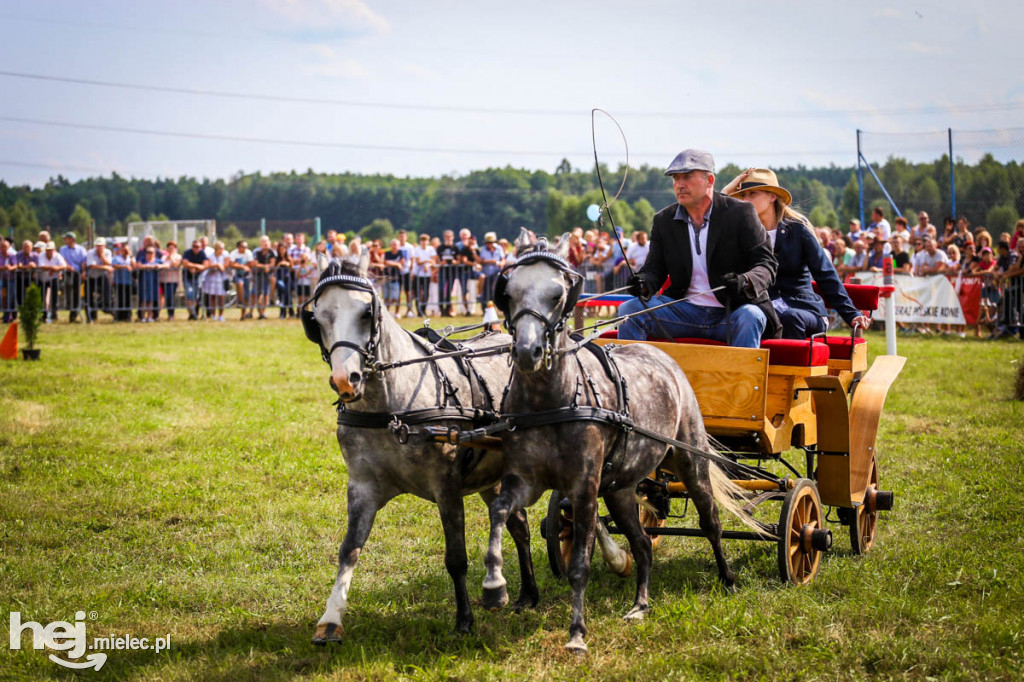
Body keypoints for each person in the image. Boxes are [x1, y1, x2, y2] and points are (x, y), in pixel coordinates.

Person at [620, 150, 779, 347]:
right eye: (676, 179)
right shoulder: (663, 220)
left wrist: (746, 281)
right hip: (683, 312)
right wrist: (643, 284)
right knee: (629, 310)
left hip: (733, 311)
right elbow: (654, 271)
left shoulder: (741, 212)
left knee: (751, 316)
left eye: (687, 177)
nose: (680, 184)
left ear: (709, 180)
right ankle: (633, 377)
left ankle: (742, 378)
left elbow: (766, 264)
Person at [723, 168, 869, 339]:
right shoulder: (745, 234)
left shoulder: (797, 230)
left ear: (772, 197)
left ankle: (791, 365)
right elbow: (713, 223)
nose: (745, 200)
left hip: (804, 311)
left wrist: (851, 314)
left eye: (752, 194)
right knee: (751, 317)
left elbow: (826, 275)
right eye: (743, 195)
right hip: (767, 312)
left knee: (790, 317)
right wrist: (725, 193)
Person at [59, 231, 88, 322]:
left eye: (66, 238)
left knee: (76, 294)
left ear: (72, 239)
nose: (64, 240)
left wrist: (83, 272)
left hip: (77, 274)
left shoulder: (81, 249)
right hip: (67, 273)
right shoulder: (63, 249)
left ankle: (73, 314)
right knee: (68, 288)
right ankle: (69, 305)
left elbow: (83, 262)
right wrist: (68, 266)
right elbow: (62, 259)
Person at [36, 241, 67, 322]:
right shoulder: (41, 255)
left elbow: (64, 265)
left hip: (54, 279)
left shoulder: (57, 256)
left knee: (54, 297)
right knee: (42, 297)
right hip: (43, 279)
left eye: (50, 250)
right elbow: (42, 266)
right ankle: (43, 315)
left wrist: (55, 268)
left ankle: (54, 313)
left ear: (54, 250)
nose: (49, 252)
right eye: (47, 250)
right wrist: (53, 268)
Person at [181, 240, 209, 320]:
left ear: (200, 247)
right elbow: (185, 263)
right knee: (189, 294)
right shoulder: (187, 253)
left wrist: (194, 267)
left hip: (198, 278)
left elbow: (205, 265)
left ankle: (193, 313)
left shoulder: (202, 253)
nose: (195, 248)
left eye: (197, 247)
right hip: (187, 277)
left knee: (196, 296)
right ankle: (192, 313)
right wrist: (197, 266)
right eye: (194, 246)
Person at [250, 235, 276, 320]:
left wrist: (263, 266)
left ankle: (263, 312)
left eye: (267, 241)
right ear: (260, 243)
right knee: (259, 295)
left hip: (267, 277)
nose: (266, 243)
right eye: (263, 242)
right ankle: (260, 313)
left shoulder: (272, 253)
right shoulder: (257, 253)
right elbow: (255, 264)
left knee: (266, 294)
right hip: (258, 277)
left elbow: (272, 264)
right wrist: (265, 266)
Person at [436, 230, 460, 316]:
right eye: (447, 237)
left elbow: (458, 260)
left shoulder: (455, 248)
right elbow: (437, 259)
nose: (448, 238)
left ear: (453, 237)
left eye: (450, 237)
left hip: (451, 272)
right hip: (442, 271)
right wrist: (441, 262)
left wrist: (454, 262)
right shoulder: (440, 247)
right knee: (441, 290)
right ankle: (441, 309)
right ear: (444, 237)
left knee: (449, 291)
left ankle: (448, 309)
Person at [136, 245, 162, 322]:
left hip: (153, 283)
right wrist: (149, 266)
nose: (148, 254)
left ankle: (150, 317)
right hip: (143, 283)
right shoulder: (142, 259)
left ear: (154, 253)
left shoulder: (157, 260)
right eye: (147, 252)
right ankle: (143, 317)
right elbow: (138, 265)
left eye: (151, 252)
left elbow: (167, 264)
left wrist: (159, 266)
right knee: (143, 300)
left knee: (151, 301)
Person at [228, 240, 254, 319]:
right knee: (240, 284)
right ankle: (239, 301)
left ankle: (243, 314)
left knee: (246, 296)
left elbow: (251, 263)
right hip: (237, 275)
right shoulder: (233, 253)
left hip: (246, 276)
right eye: (244, 246)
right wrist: (242, 266)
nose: (245, 248)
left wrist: (239, 265)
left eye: (246, 246)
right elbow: (231, 264)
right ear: (238, 247)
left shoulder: (248, 253)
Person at [477, 232, 504, 307]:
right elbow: (481, 261)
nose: (489, 244)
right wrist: (491, 261)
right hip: (487, 273)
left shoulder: (499, 248)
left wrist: (501, 263)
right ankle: (484, 307)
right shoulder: (483, 249)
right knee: (486, 291)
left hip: (496, 273)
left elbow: (503, 259)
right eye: (488, 243)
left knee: (496, 290)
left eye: (491, 242)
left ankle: (497, 308)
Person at [203, 241, 229, 321]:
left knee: (221, 297)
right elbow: (208, 265)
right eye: (220, 248)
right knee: (212, 297)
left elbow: (227, 264)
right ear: (216, 248)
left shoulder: (225, 255)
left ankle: (221, 315)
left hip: (222, 278)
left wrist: (221, 266)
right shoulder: (211, 255)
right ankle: (213, 315)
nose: (222, 250)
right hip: (212, 278)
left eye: (223, 248)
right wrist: (217, 265)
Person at [411, 233, 435, 317]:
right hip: (418, 274)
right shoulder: (417, 249)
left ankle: (423, 310)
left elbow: (433, 261)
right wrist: (427, 261)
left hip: (427, 275)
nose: (424, 242)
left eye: (425, 240)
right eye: (422, 240)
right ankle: (418, 311)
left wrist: (428, 264)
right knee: (417, 293)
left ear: (428, 241)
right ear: (420, 241)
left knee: (426, 293)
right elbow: (418, 262)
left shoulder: (431, 249)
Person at [110, 242, 134, 321]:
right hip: (119, 282)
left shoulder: (131, 258)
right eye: (124, 249)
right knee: (119, 299)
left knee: (127, 299)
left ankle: (127, 316)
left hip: (128, 282)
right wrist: (125, 266)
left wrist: (130, 256)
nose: (126, 251)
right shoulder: (117, 258)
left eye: (127, 249)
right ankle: (118, 316)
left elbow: (134, 266)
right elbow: (114, 265)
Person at [382, 239, 404, 317]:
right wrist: (397, 264)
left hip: (396, 278)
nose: (394, 246)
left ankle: (397, 313)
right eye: (393, 245)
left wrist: (393, 264)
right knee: (386, 297)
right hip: (386, 277)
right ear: (391, 246)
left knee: (396, 297)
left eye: (396, 245)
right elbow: (385, 262)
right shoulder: (387, 253)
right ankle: (386, 313)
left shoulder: (400, 253)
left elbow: (402, 262)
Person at [160, 241, 182, 320]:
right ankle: (168, 314)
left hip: (173, 280)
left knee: (170, 297)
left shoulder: (178, 256)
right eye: (169, 247)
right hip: (163, 280)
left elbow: (176, 265)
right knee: (166, 297)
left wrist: (171, 257)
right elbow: (160, 266)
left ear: (175, 249)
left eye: (172, 248)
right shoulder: (163, 257)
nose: (170, 249)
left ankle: (171, 315)